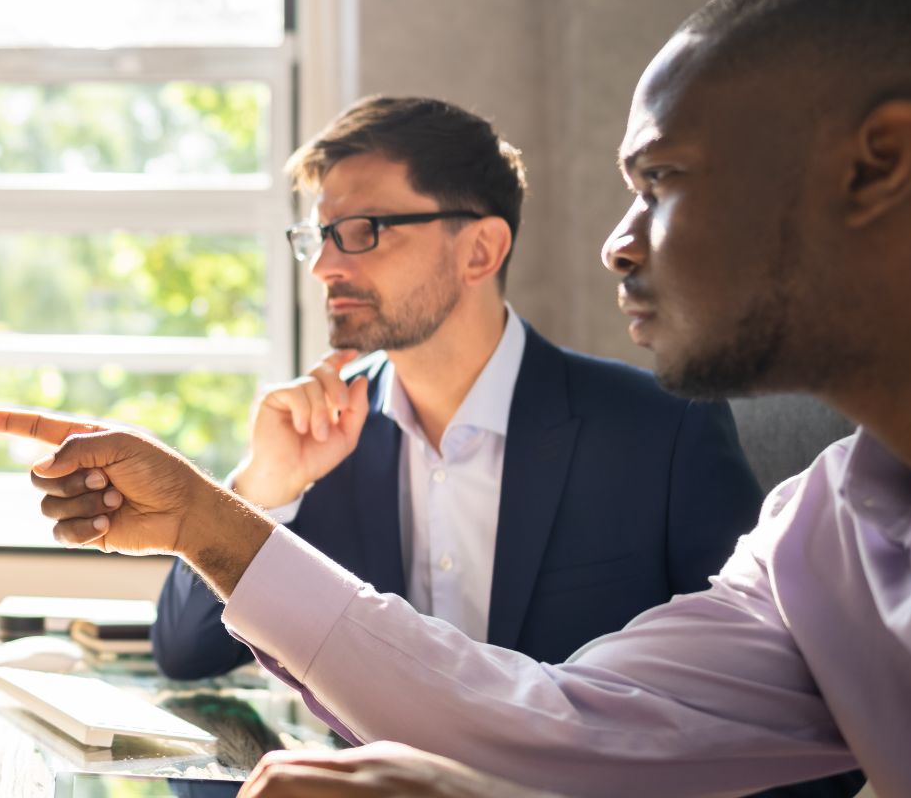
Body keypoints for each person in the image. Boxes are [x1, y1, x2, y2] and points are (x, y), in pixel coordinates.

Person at [0, 0, 911, 794]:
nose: (618, 244)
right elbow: (562, 722)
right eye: (321, 239)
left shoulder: (664, 432)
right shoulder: (821, 535)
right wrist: (215, 512)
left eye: (662, 180)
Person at [153, 96, 769, 695]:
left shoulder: (663, 433)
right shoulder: (318, 440)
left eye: (363, 230)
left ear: (481, 251)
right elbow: (186, 652)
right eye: (320, 236)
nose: (323, 267)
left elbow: (756, 689)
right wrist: (263, 490)